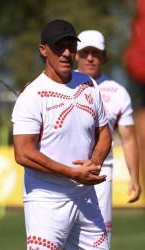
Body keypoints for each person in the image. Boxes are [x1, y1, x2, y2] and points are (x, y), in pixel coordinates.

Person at [12, 19, 112, 250]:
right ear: (43, 50)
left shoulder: (87, 84)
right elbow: (23, 153)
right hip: (47, 202)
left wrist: (95, 161)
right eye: (59, 47)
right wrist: (72, 173)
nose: (67, 53)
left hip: (86, 197)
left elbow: (104, 131)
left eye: (71, 46)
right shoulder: (32, 95)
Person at [76, 30, 142, 244]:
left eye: (96, 53)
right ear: (76, 55)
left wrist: (134, 177)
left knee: (99, 238)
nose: (90, 58)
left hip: (102, 172)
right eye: (85, 52)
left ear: (104, 56)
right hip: (65, 170)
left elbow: (129, 138)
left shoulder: (118, 92)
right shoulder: (59, 86)